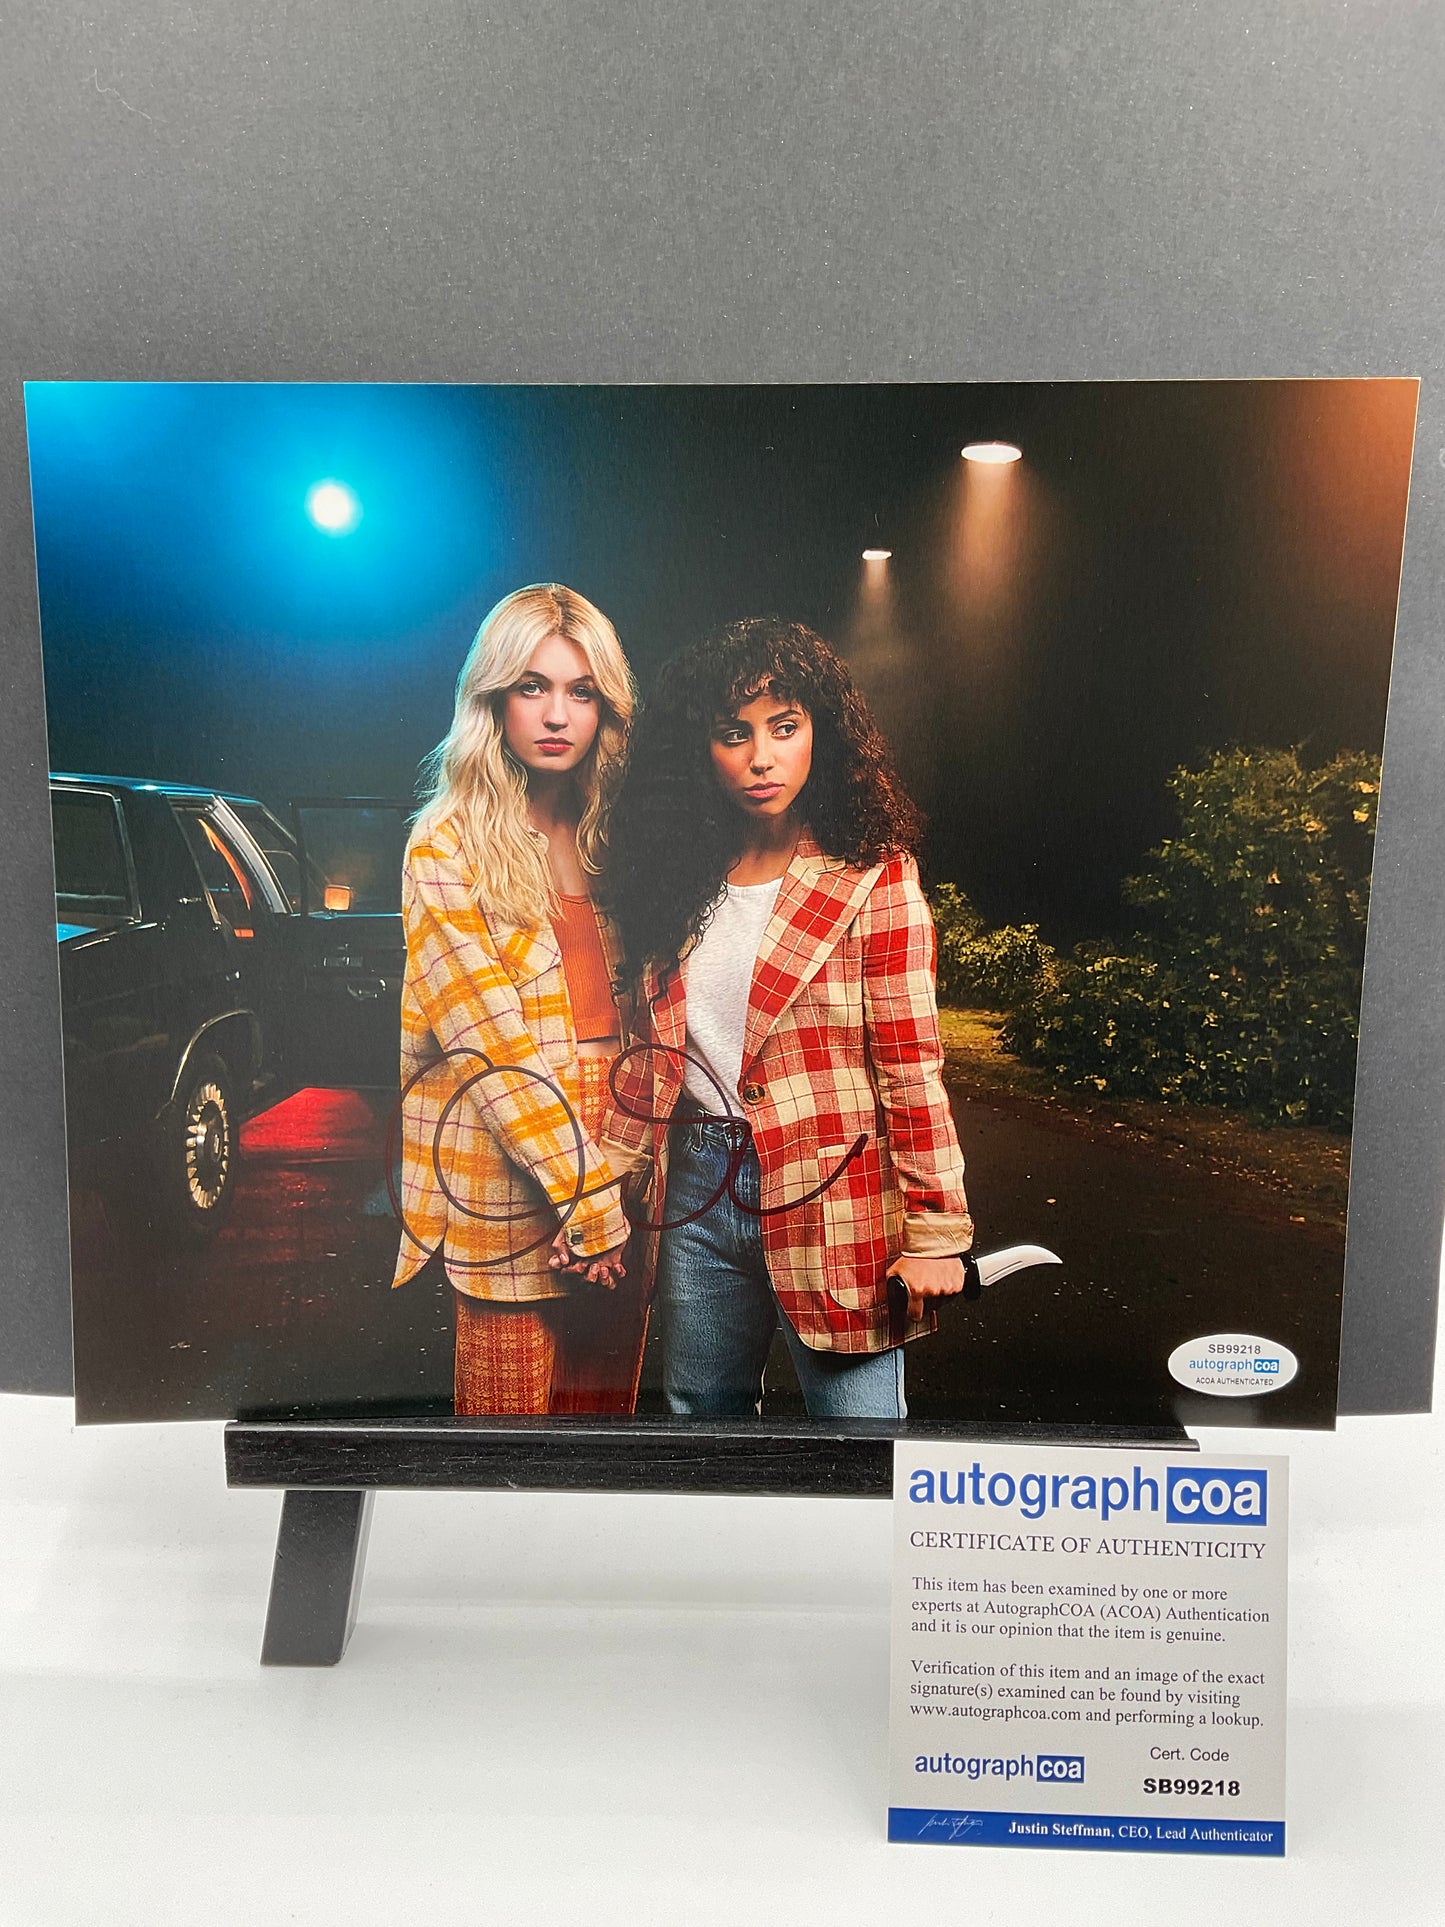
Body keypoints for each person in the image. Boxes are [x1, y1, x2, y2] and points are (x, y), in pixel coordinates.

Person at [599, 616, 974, 1420]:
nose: (760, 757)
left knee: (860, 1438)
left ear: (819, 733)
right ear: (700, 748)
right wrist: (599, 1188)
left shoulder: (873, 876)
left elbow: (910, 1066)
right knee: (703, 1430)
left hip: (833, 1192)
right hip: (699, 1187)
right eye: (733, 733)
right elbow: (652, 1059)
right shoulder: (676, 876)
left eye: (783, 726)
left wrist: (937, 1229)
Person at [391, 582, 646, 1416]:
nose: (556, 714)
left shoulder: (622, 837)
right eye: (532, 686)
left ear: (607, 708)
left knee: (608, 1436)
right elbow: (489, 1046)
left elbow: (658, 1019)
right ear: (492, 698)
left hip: (629, 1149)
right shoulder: (446, 842)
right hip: (510, 1166)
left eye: (581, 691)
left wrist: (623, 1176)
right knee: (508, 1447)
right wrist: (587, 1199)